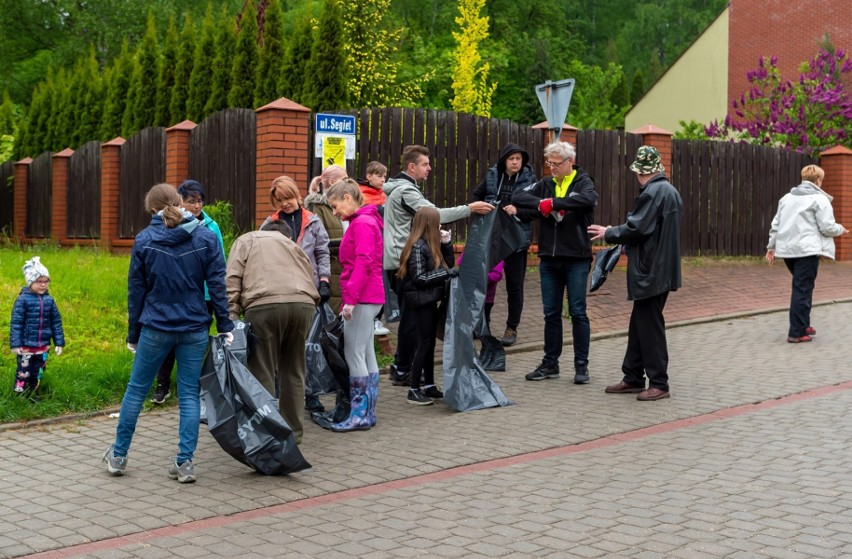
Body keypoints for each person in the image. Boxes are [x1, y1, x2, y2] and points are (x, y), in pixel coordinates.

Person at [103, 183, 234, 482]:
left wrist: (132, 333)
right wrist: (224, 325)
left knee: (136, 389)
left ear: (152, 209)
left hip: (156, 326)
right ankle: (184, 463)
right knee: (189, 394)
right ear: (180, 203)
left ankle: (119, 456)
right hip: (194, 326)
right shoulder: (205, 236)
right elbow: (217, 285)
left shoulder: (145, 239)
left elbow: (136, 291)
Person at [383, 145, 494, 386]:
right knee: (412, 320)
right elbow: (435, 214)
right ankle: (403, 369)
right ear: (411, 167)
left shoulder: (404, 188)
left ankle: (402, 367)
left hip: (402, 260)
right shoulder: (405, 190)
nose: (430, 168)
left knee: (411, 318)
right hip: (407, 263)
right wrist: (470, 209)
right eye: (425, 164)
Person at [588, 145, 683, 401]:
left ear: (641, 171)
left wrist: (609, 232)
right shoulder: (668, 190)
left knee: (649, 327)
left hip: (651, 271)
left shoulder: (653, 192)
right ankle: (632, 376)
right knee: (640, 324)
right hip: (660, 269)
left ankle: (659, 383)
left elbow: (637, 228)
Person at [226, 220, 319, 444]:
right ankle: (294, 434)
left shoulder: (247, 239)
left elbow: (231, 277)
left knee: (262, 370)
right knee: (294, 370)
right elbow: (311, 274)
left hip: (263, 306)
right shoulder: (293, 246)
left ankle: (268, 434)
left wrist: (231, 314)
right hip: (303, 305)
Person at [512, 141, 597, 385]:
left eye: (556, 164)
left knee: (577, 312)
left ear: (569, 162)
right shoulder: (546, 184)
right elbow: (518, 196)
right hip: (549, 258)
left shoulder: (583, 182)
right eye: (549, 163)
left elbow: (588, 200)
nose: (552, 169)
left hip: (577, 259)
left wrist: (555, 203)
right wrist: (542, 206)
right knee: (551, 313)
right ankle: (551, 363)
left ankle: (581, 366)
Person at [261, 175, 332, 414]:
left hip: (308, 292)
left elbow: (322, 252)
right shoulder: (268, 224)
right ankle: (283, 396)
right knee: (284, 348)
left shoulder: (312, 221)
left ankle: (311, 394)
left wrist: (324, 281)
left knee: (307, 348)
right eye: (279, 200)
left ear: (297, 195)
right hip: (279, 293)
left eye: (288, 198)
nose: (285, 204)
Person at [152, 180, 225, 405]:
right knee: (170, 341)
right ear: (180, 202)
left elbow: (220, 262)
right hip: (181, 293)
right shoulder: (175, 224)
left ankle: (193, 385)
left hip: (205, 296)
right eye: (191, 201)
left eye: (200, 201)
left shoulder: (211, 227)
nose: (196, 206)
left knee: (198, 343)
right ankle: (162, 385)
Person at [325, 179, 385, 430]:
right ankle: (367, 413)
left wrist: (349, 301)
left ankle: (359, 416)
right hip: (369, 296)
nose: (335, 212)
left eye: (335, 205)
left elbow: (363, 262)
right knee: (366, 352)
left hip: (362, 297)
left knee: (353, 352)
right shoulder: (367, 221)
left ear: (348, 198)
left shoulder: (361, 223)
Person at [766, 164, 847, 343]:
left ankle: (804, 325)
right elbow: (827, 227)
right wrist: (840, 229)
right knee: (801, 289)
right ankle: (796, 333)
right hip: (807, 251)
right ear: (819, 181)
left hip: (788, 251)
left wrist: (771, 247)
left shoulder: (786, 198)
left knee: (804, 286)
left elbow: (776, 225)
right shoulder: (819, 199)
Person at [471, 143, 537, 346]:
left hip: (517, 239)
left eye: (519, 158)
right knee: (485, 281)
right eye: (512, 159)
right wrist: (482, 210)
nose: (515, 162)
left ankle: (512, 327)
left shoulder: (530, 179)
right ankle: (482, 324)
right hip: (492, 238)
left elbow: (536, 209)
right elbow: (476, 195)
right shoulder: (492, 175)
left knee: (514, 285)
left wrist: (518, 211)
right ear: (504, 161)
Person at [397, 207, 458, 405]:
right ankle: (414, 389)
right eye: (437, 222)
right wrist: (446, 274)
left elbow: (447, 266)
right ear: (429, 224)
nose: (440, 226)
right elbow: (420, 277)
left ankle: (430, 385)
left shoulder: (430, 244)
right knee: (423, 344)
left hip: (429, 300)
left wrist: (447, 244)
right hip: (419, 301)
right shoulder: (417, 246)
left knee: (430, 343)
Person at [10, 256, 65, 395]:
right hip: (26, 347)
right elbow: (16, 323)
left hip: (43, 346)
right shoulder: (22, 300)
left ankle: (33, 392)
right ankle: (19, 393)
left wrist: (59, 342)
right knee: (24, 372)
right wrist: (16, 344)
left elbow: (56, 322)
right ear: (30, 282)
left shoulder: (50, 300)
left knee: (38, 372)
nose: (43, 285)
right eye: (39, 281)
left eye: (46, 281)